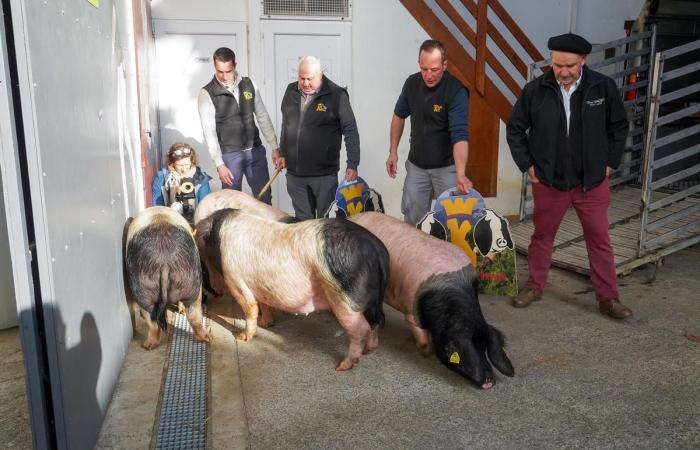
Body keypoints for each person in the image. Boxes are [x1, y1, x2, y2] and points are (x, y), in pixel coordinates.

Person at [506, 33, 632, 319]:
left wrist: (611, 163)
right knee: (542, 237)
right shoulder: (535, 90)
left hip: (591, 182)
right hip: (550, 181)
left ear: (583, 61)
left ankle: (608, 298)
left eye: (570, 66)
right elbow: (515, 129)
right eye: (557, 65)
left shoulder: (603, 87)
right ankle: (535, 286)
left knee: (599, 238)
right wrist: (527, 164)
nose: (563, 71)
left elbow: (618, 127)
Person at [386, 39, 472, 226]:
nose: (428, 75)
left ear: (444, 65)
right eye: (424, 69)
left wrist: (461, 173)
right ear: (419, 64)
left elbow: (460, 136)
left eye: (434, 69)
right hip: (417, 165)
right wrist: (393, 151)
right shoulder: (411, 84)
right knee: (412, 220)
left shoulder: (456, 91)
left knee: (452, 221)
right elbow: (398, 116)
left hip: (446, 168)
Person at [277, 55, 360, 220]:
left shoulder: (337, 95)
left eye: (310, 79)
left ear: (320, 74)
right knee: (303, 223)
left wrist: (353, 163)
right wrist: (282, 153)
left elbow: (350, 129)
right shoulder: (290, 91)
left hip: (323, 175)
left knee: (325, 223)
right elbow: (286, 125)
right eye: (302, 78)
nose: (305, 83)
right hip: (295, 175)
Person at [198, 47, 282, 204]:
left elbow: (263, 117)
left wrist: (274, 147)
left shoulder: (249, 85)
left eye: (228, 71)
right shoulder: (207, 93)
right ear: (214, 66)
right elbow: (209, 132)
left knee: (264, 198)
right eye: (219, 71)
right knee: (231, 202)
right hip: (229, 156)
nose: (223, 76)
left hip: (255, 152)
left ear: (235, 65)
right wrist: (219, 164)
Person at [152, 142, 212, 222]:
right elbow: (157, 206)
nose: (184, 169)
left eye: (187, 165)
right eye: (180, 165)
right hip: (169, 221)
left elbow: (205, 207)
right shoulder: (162, 177)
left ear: (192, 162)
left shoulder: (201, 178)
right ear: (172, 164)